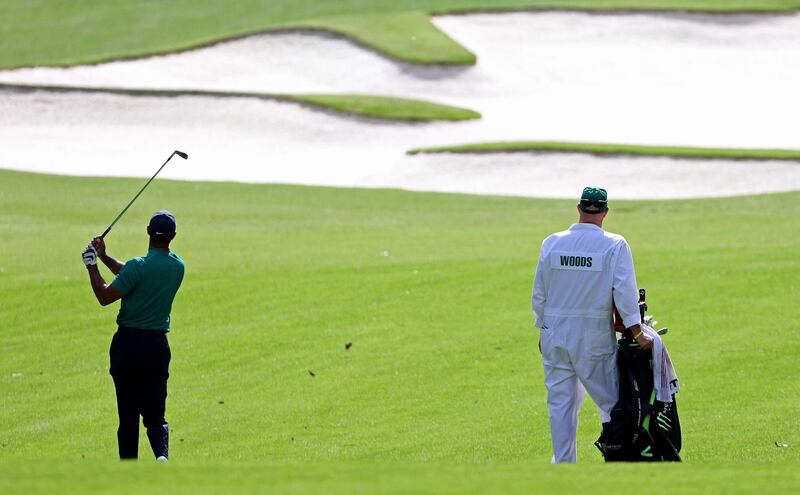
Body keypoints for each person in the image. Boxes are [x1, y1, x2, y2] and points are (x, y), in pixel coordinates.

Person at [531, 187, 652, 463]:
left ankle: (563, 467)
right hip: (592, 338)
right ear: (605, 212)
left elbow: (540, 294)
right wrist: (637, 332)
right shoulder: (615, 245)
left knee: (560, 405)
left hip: (555, 335)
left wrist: (541, 328)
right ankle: (617, 458)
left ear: (579, 209)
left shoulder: (551, 243)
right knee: (612, 405)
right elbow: (624, 293)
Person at [82, 210, 185, 461]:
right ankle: (161, 457)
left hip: (127, 346)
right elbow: (132, 274)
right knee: (155, 416)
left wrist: (92, 264)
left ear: (148, 231)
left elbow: (105, 296)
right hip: (157, 347)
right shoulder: (177, 266)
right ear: (173, 236)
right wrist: (105, 256)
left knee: (128, 416)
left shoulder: (138, 267)